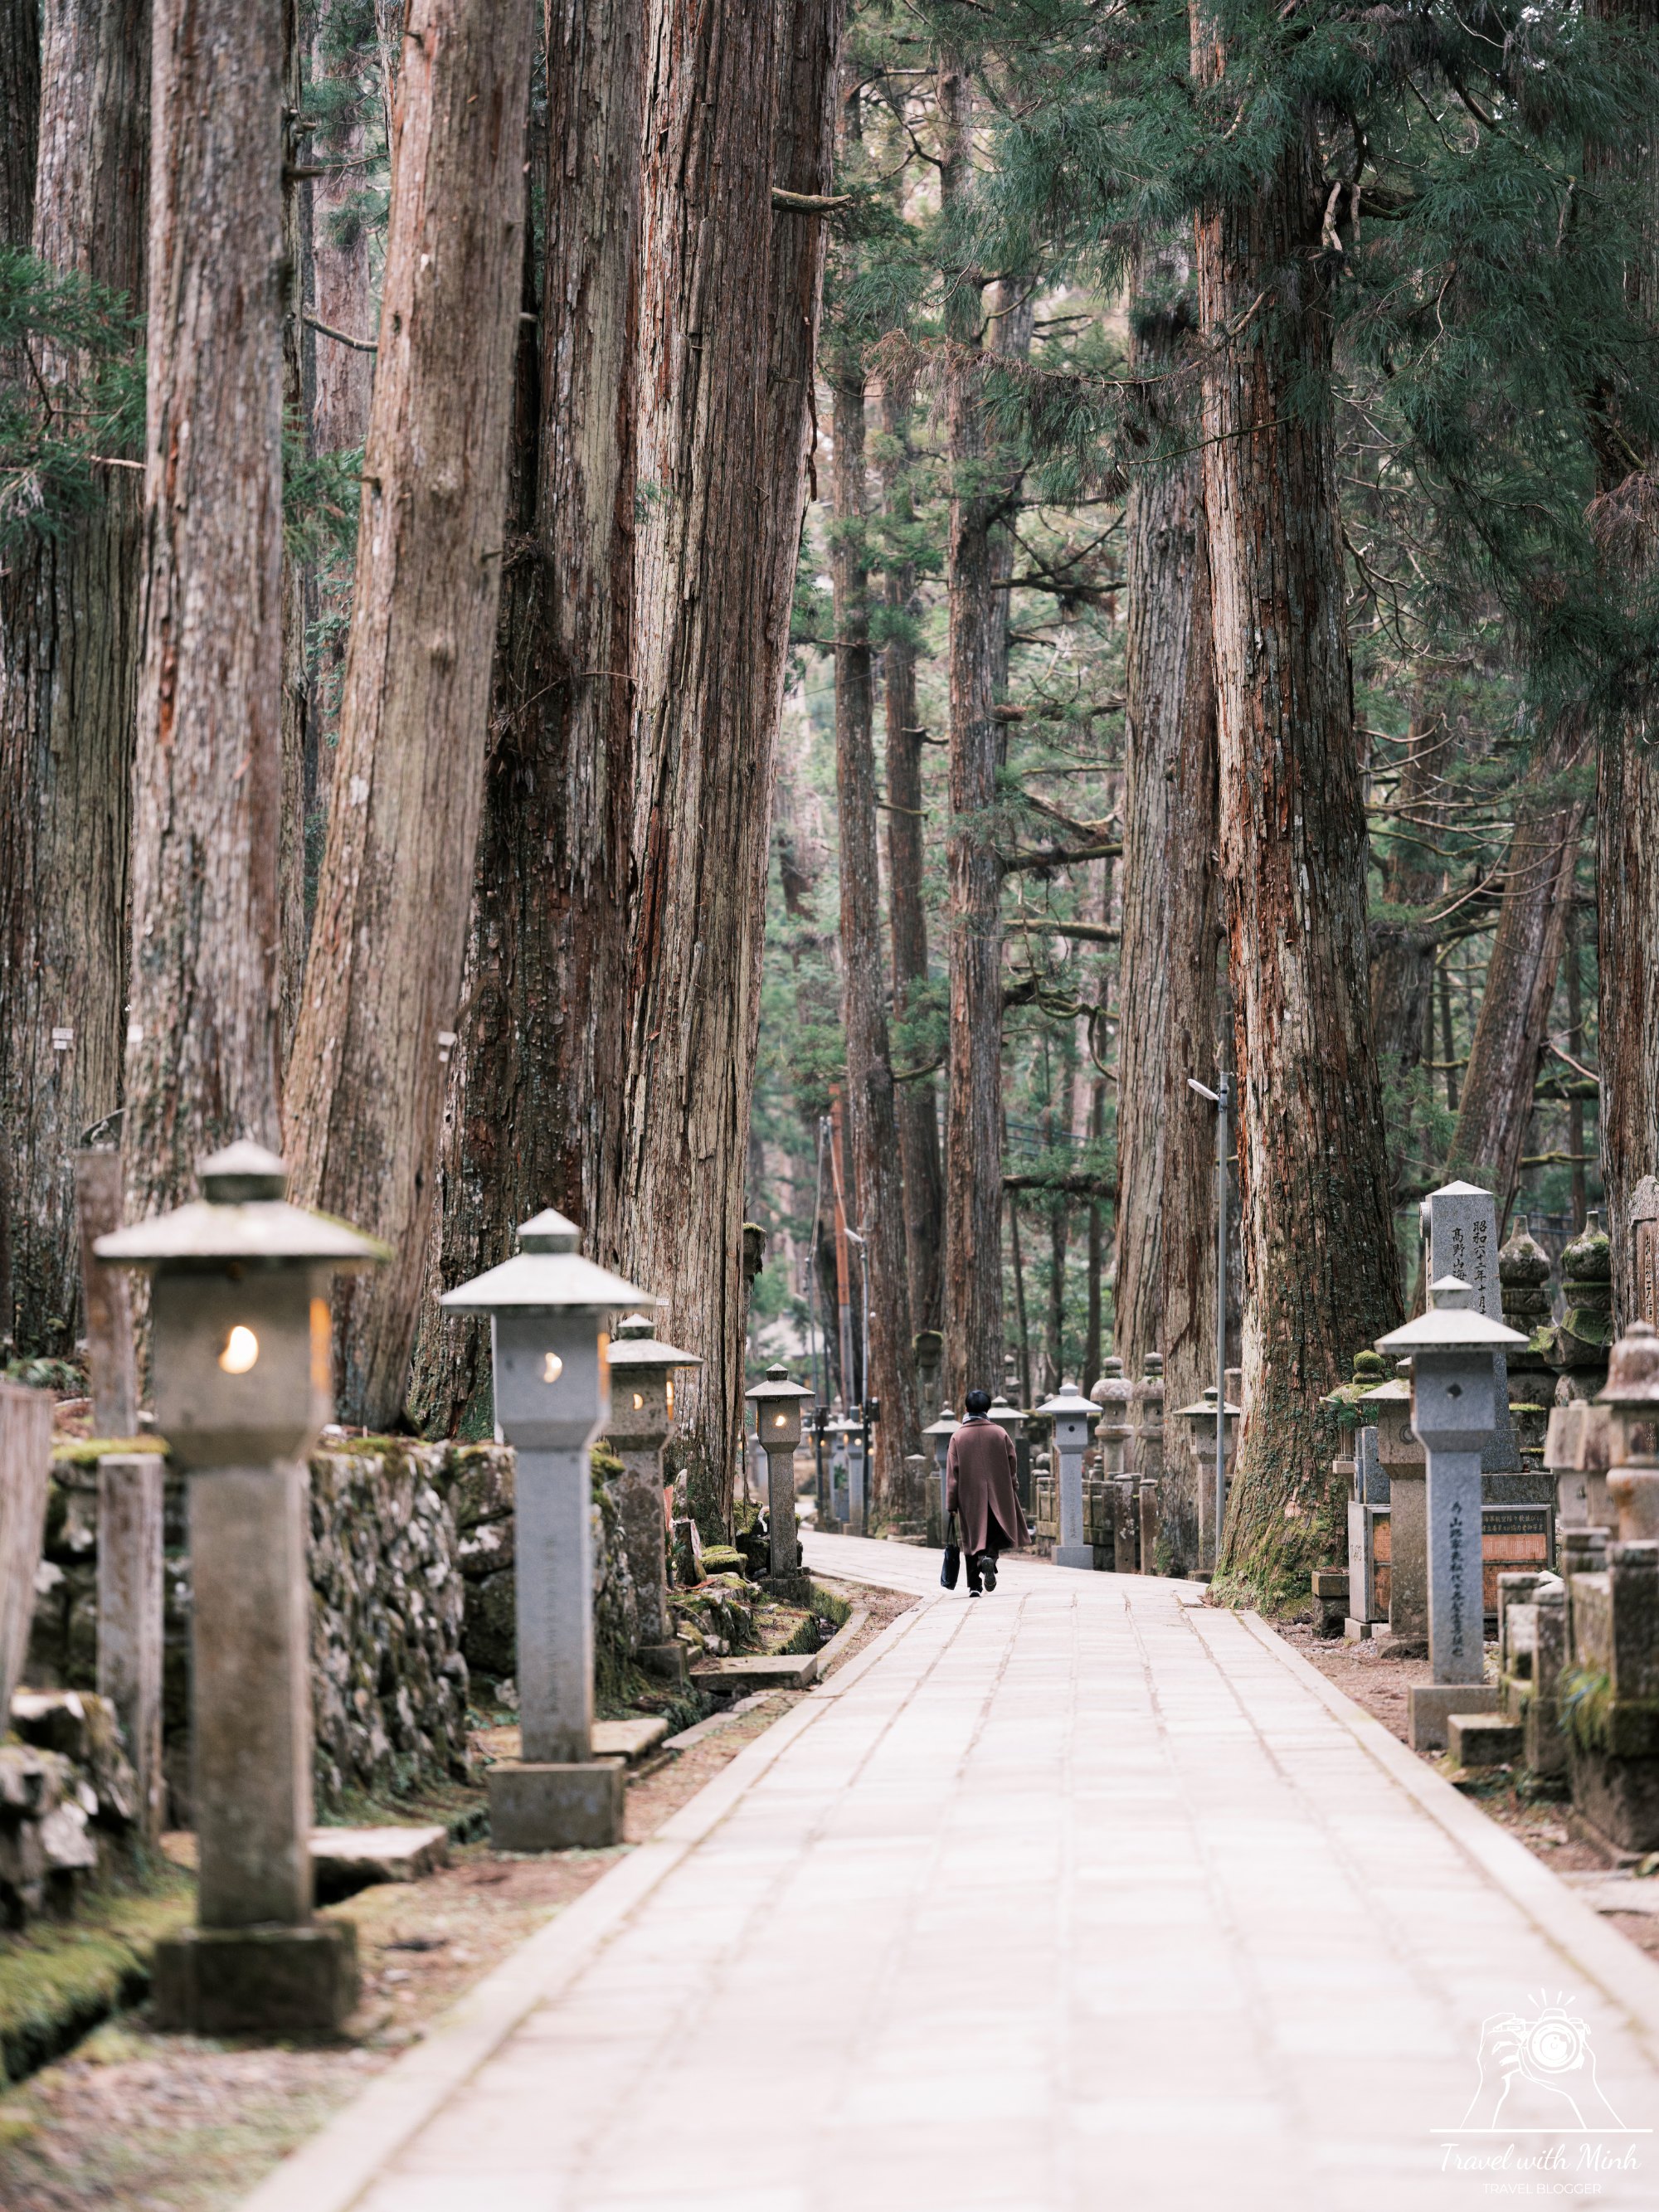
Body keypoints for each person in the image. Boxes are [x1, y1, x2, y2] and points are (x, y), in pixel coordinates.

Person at [945, 1389, 1025, 1595]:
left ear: (966, 1409)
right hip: (999, 1492)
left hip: (969, 1496)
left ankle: (974, 1585)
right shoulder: (1000, 1433)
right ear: (987, 1409)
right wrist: (1012, 1485)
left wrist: (951, 1504)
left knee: (972, 1538)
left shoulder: (958, 1437)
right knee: (994, 1531)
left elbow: (953, 1474)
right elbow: (1012, 1462)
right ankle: (989, 1558)